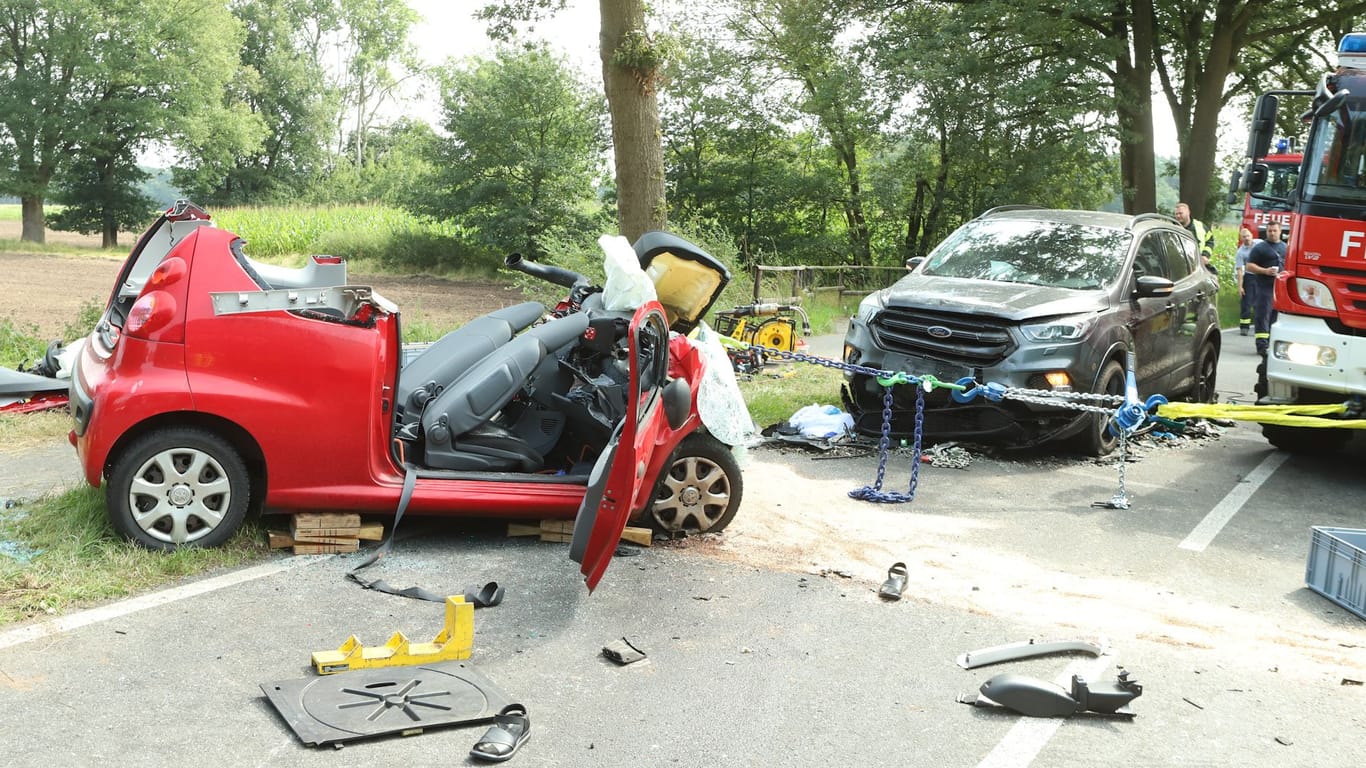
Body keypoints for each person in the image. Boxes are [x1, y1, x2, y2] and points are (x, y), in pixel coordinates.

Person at [1245, 220, 1286, 356]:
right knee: (1263, 316)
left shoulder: (1286, 248)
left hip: (1280, 289)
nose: (1272, 233)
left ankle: (1272, 343)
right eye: (1269, 231)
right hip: (1264, 287)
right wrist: (1265, 271)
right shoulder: (1260, 248)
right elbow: (1249, 266)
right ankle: (1261, 345)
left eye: (1275, 230)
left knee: (1275, 317)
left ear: (1280, 231)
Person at [1174, 202, 1218, 276]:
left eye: (1181, 213)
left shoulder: (1200, 226)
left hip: (1198, 265)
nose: (1178, 216)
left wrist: (1205, 255)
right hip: (1178, 266)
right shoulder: (1172, 227)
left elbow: (1210, 241)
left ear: (1188, 212)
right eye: (1176, 214)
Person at [1232, 227, 1258, 336]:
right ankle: (1244, 327)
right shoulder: (1240, 252)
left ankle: (1260, 326)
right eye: (1244, 237)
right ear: (1241, 239)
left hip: (1262, 277)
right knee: (1246, 303)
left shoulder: (1260, 244)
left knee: (1260, 303)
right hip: (1250, 277)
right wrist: (1240, 286)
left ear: (1252, 235)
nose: (1246, 238)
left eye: (1248, 236)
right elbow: (1239, 270)